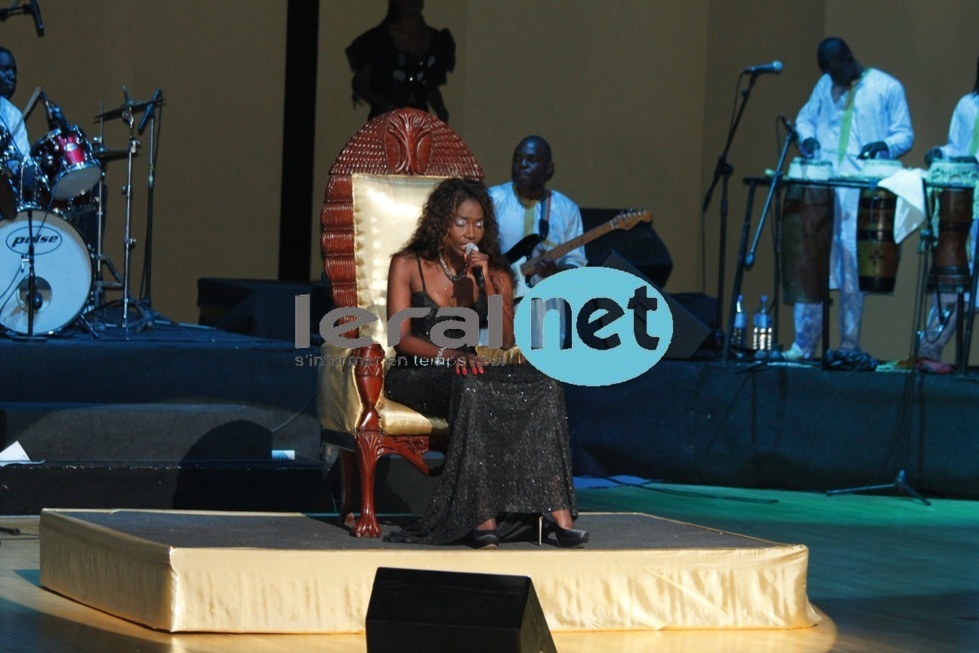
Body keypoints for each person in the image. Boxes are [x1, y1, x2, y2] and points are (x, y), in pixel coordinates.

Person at [382, 177, 587, 549]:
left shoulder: (493, 272)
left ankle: (559, 513)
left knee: (545, 383)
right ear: (441, 222)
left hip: (468, 368)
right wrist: (450, 355)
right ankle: (481, 516)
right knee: (473, 385)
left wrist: (489, 284)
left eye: (477, 224)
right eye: (461, 222)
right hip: (417, 371)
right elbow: (401, 338)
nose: (469, 232)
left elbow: (503, 341)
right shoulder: (409, 264)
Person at [787, 37, 914, 361]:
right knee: (812, 265)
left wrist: (883, 145)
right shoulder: (823, 87)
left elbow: (904, 134)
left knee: (852, 272)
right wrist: (809, 137)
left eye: (834, 70)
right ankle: (803, 346)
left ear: (847, 59)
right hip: (823, 188)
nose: (831, 78)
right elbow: (803, 120)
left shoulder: (886, 87)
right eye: (826, 73)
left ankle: (848, 345)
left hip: (860, 192)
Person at [490, 136, 587, 348]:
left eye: (531, 159)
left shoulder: (566, 209)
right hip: (498, 307)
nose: (522, 165)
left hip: (545, 312)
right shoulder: (493, 200)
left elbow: (577, 266)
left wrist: (556, 271)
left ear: (549, 169)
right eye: (517, 159)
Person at [916, 56, 979, 371]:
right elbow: (959, 146)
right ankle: (930, 350)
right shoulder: (968, 105)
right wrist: (943, 153)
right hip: (965, 205)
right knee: (953, 280)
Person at [345, 0, 454, 123]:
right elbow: (359, 82)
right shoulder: (380, 39)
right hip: (386, 122)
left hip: (418, 121)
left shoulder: (434, 39)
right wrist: (385, 104)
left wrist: (441, 108)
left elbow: (429, 86)